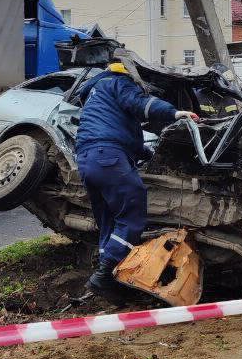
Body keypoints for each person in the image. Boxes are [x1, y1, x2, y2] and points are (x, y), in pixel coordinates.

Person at [76, 60, 198, 296]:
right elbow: (141, 103)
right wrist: (175, 112)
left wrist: (147, 152)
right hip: (108, 157)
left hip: (88, 159)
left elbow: (118, 133)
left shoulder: (96, 92)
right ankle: (104, 275)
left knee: (109, 221)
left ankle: (109, 279)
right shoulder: (118, 83)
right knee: (132, 213)